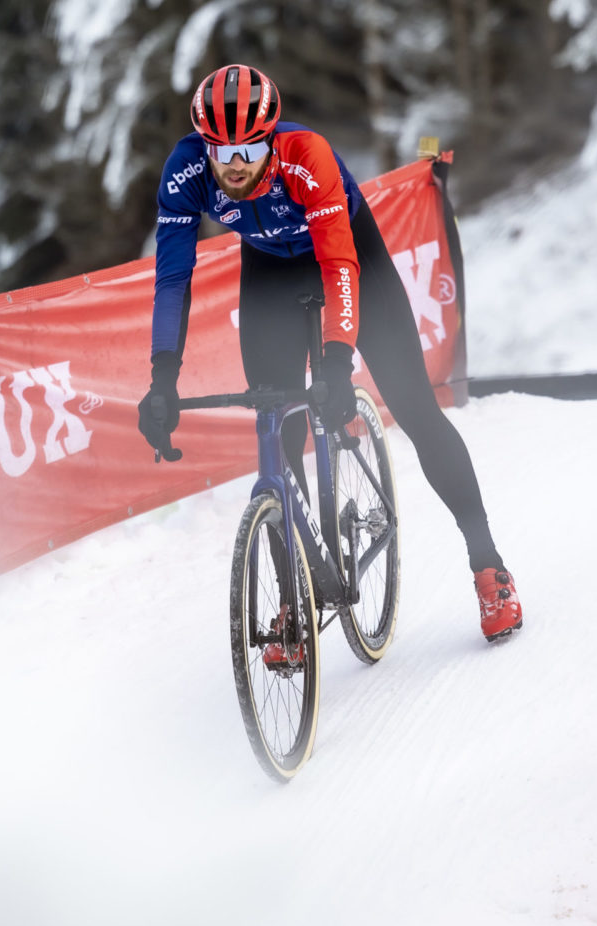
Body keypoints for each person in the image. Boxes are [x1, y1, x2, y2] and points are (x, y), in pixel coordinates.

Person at [139, 63, 522, 641]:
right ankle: (293, 594)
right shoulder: (185, 170)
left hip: (349, 254)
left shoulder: (305, 154)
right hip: (270, 268)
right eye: (221, 151)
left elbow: (340, 265)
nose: (234, 164)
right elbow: (173, 279)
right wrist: (162, 378)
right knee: (275, 426)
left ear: (270, 140)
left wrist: (340, 361)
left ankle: (488, 566)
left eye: (248, 149)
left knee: (416, 410)